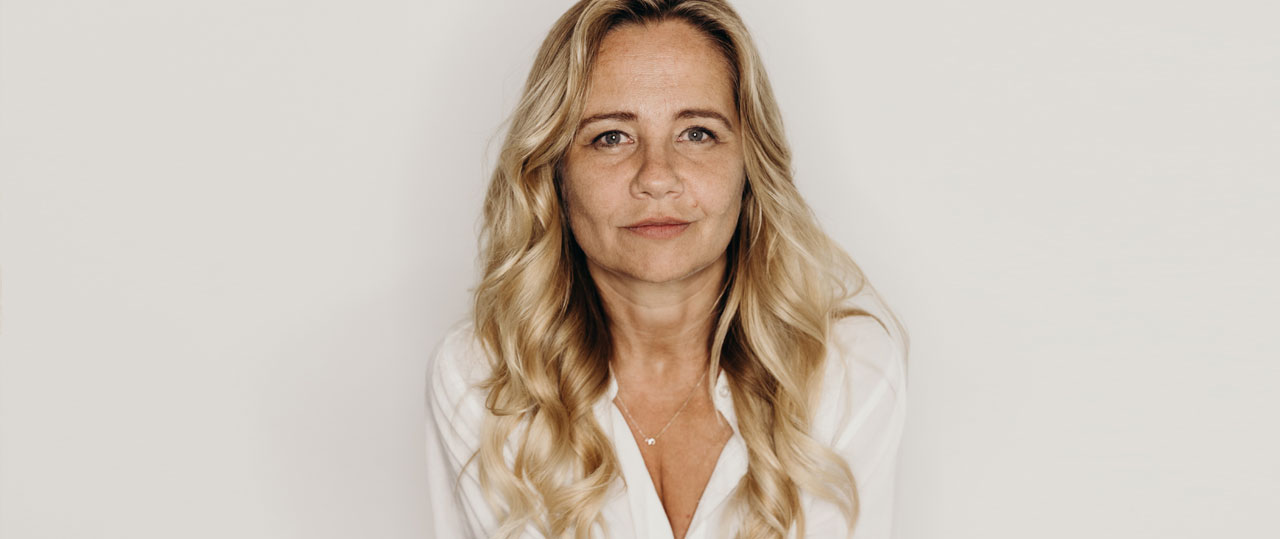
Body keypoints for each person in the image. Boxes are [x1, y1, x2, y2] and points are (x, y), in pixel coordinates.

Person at [425, 1, 908, 537]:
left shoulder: (846, 369)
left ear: (750, 166)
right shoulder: (482, 379)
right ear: (554, 173)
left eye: (697, 133)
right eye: (611, 136)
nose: (656, 177)